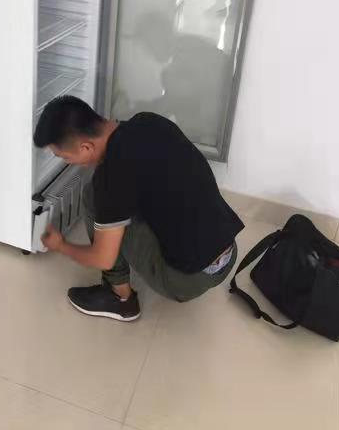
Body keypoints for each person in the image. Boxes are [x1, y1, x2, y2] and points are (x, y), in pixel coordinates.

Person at [33, 96, 244, 322]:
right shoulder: (149, 121)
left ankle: (120, 298)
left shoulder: (110, 177)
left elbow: (102, 259)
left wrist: (61, 245)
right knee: (129, 201)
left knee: (92, 196)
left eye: (65, 157)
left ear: (86, 147)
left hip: (187, 280)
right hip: (228, 249)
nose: (67, 162)